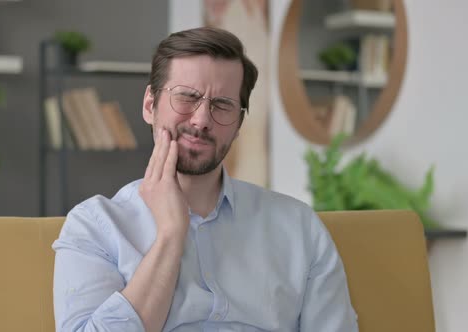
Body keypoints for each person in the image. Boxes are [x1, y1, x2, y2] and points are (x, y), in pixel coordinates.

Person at [52, 27, 358, 332]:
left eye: (222, 105)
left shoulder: (299, 226)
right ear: (150, 105)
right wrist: (171, 234)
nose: (201, 120)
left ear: (238, 124)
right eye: (187, 97)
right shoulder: (94, 226)